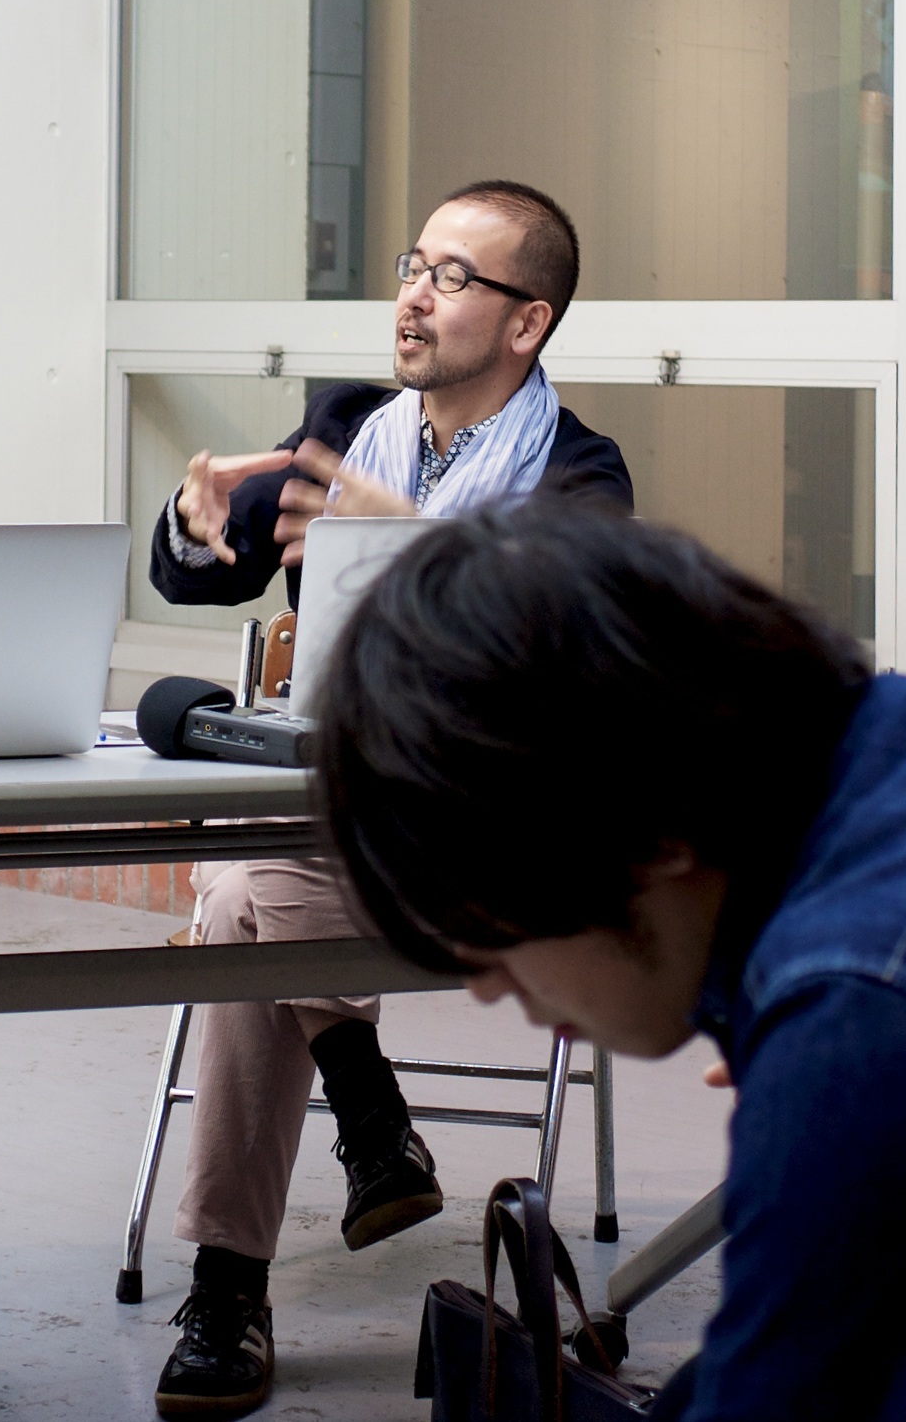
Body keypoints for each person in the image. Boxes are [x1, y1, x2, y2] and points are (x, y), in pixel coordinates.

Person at [317, 500, 906, 1420]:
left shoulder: (875, 1028)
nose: (482, 983)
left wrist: (833, 1065)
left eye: (486, 920)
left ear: (648, 821)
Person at [144, 181, 631, 1417]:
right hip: (326, 829)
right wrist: (198, 526)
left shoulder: (579, 475)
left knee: (241, 884)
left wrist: (403, 533)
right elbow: (205, 567)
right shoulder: (348, 422)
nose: (415, 292)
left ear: (528, 323)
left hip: (482, 833)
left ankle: (233, 1284)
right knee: (251, 878)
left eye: (455, 276)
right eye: (414, 264)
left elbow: (558, 653)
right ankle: (357, 1136)